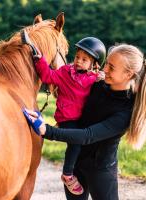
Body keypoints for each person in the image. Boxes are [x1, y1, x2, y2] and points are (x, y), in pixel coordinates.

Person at [24, 43, 146, 200]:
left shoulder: (125, 112)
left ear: (128, 74)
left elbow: (88, 135)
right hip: (76, 165)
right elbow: (70, 89)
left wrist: (46, 130)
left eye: (111, 67)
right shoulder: (97, 85)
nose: (104, 69)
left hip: (100, 172)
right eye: (106, 63)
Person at [32, 37, 106, 195]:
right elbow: (48, 77)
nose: (79, 61)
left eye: (84, 60)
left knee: (84, 143)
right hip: (67, 118)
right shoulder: (65, 72)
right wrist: (40, 61)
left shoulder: (94, 78)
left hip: (82, 119)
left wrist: (102, 78)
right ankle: (67, 174)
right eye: (77, 57)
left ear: (94, 64)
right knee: (75, 143)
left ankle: (88, 173)